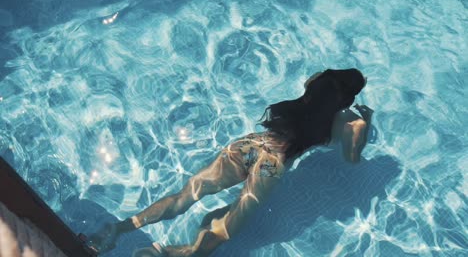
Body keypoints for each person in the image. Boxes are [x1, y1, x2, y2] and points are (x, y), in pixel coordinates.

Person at [88, 68, 374, 257]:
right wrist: (365, 121)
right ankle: (172, 253)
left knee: (186, 195)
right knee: (227, 227)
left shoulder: (313, 86)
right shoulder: (348, 122)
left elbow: (313, 80)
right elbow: (352, 159)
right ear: (350, 97)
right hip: (271, 165)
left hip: (250, 144)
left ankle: (118, 229)